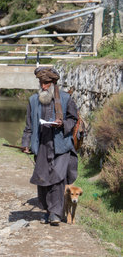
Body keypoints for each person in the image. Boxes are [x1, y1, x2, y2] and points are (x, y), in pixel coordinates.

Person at [21, 67, 78, 226]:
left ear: (53, 83)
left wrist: (62, 124)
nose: (43, 86)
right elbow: (28, 126)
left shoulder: (66, 99)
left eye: (46, 83)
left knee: (58, 179)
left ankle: (55, 213)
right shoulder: (33, 100)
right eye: (41, 83)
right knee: (43, 179)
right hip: (42, 146)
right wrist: (25, 143)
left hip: (61, 146)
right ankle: (47, 210)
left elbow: (73, 120)